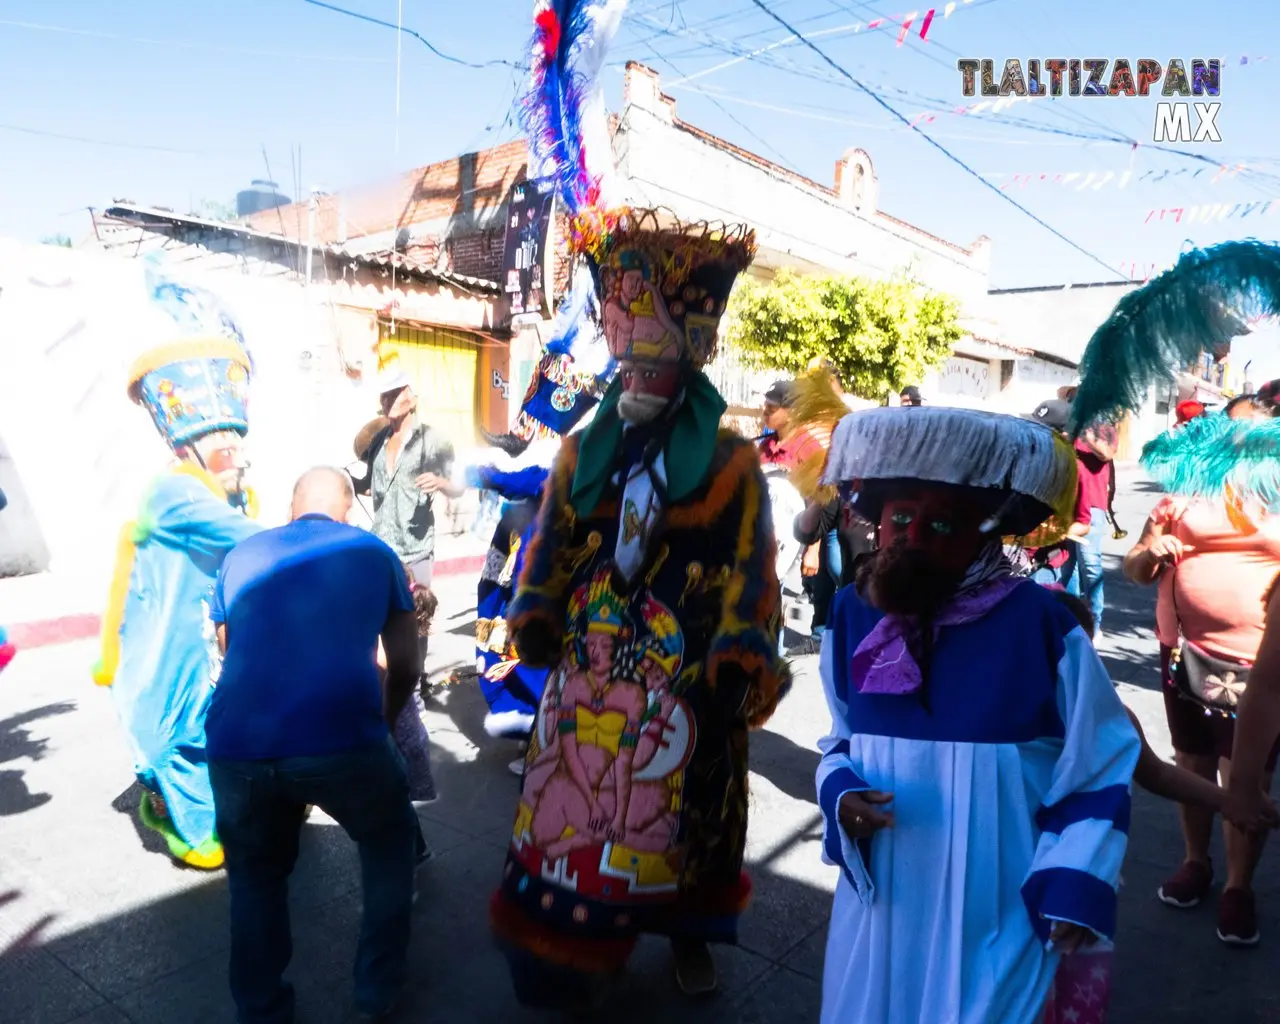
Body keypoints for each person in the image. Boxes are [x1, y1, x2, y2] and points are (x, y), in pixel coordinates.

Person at [490, 213, 788, 1005]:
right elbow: (550, 542)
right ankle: (581, 932)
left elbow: (755, 572)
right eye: (626, 373)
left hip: (686, 671)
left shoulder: (731, 464)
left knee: (692, 812)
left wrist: (739, 655)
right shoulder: (582, 450)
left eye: (649, 373)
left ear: (685, 368)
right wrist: (539, 613)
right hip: (592, 667)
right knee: (577, 806)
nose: (633, 385)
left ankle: (691, 936)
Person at [814, 405, 1140, 1024]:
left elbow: (1102, 761)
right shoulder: (853, 616)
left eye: (943, 524)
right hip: (887, 903)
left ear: (983, 537)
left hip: (1000, 903)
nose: (913, 535)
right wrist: (841, 794)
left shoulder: (1041, 625)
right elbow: (838, 741)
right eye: (901, 518)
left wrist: (1075, 876)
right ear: (877, 524)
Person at [207, 467, 422, 1024]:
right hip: (344, 737)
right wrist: (386, 721)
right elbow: (405, 663)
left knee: (255, 877)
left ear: (291, 507)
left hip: (238, 744)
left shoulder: (242, 555)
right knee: (389, 843)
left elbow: (231, 650)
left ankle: (261, 1009)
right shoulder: (375, 553)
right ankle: (375, 996)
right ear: (347, 509)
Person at [93, 336, 262, 869]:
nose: (239, 459)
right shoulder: (179, 493)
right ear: (190, 448)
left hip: (201, 642)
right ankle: (193, 833)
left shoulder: (219, 491)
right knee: (179, 739)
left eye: (240, 445)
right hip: (164, 651)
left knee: (211, 730)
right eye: (226, 449)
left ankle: (200, 815)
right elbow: (253, 539)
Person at [1123, 392, 1280, 946]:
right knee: (1190, 761)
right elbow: (1135, 568)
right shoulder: (1181, 498)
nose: (1241, 445)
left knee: (1248, 774)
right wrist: (1152, 552)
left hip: (1261, 665)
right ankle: (1196, 861)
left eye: (1255, 435)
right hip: (1182, 653)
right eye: (1231, 433)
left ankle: (1239, 886)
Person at [366, 368, 463, 671]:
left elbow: (458, 486)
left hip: (416, 548)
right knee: (381, 618)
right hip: (383, 546)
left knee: (416, 620)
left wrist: (440, 482)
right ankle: (387, 676)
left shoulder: (432, 440)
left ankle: (416, 680)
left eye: (394, 393)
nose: (388, 400)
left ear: (410, 396)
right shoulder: (378, 441)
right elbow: (373, 487)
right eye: (384, 394)